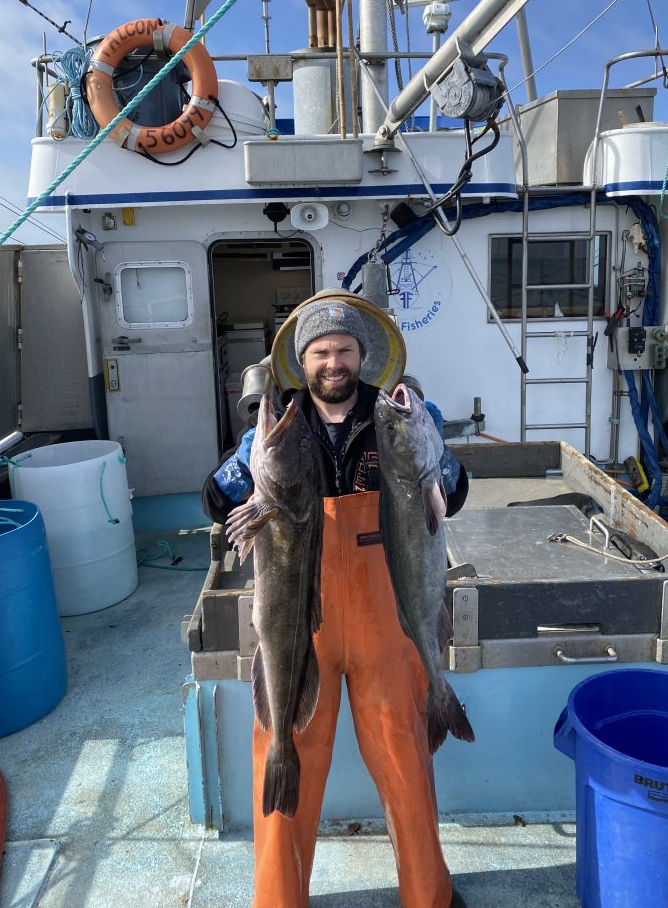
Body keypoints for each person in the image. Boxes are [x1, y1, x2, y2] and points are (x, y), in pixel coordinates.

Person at [202, 298, 470, 908]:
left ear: (361, 355)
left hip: (388, 615)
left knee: (404, 758)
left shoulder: (394, 413)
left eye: (343, 350)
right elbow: (215, 501)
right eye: (320, 352)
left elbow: (452, 497)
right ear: (303, 362)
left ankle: (429, 897)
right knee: (286, 749)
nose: (333, 362)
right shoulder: (282, 425)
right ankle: (278, 900)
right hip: (300, 619)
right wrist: (247, 466)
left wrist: (437, 451)